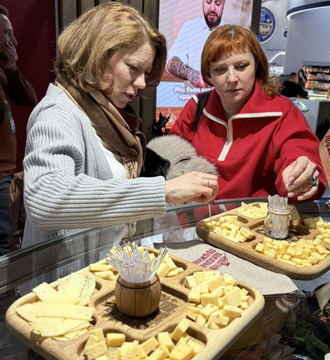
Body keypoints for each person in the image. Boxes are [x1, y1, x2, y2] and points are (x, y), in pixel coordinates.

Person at [22, 2, 218, 248]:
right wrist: (162, 191)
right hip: (69, 271)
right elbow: (45, 199)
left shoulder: (107, 114)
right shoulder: (57, 113)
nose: (141, 83)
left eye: (146, 72)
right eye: (133, 68)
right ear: (97, 56)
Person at [168, 25, 326, 202]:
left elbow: (298, 151)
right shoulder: (197, 106)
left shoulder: (282, 111)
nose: (232, 78)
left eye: (241, 66)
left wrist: (300, 173)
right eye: (220, 69)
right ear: (208, 74)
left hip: (256, 218)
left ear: (256, 65)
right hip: (198, 216)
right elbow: (171, 157)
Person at [0, 5, 37, 255]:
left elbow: (29, 98)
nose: (13, 41)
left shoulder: (4, 72)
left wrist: (11, 69)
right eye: (7, 33)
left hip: (5, 178)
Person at [166, 0, 226, 88]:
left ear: (223, 4)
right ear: (203, 2)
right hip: (192, 94)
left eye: (217, 3)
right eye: (208, 2)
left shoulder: (231, 32)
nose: (212, 8)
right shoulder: (189, 27)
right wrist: (191, 75)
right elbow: (171, 62)